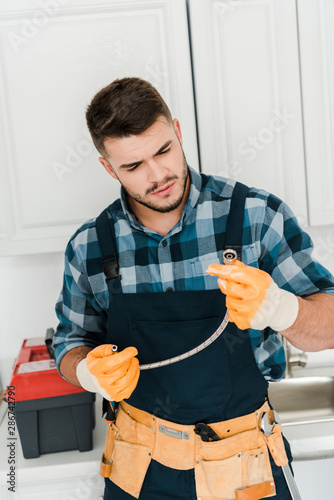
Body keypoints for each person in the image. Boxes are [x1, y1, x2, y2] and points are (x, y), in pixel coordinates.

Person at [54, 77, 334, 500]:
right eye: (133, 166)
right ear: (108, 168)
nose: (158, 175)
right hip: (139, 467)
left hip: (245, 464)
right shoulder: (90, 246)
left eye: (164, 150)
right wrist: (85, 371)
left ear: (178, 132)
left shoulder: (257, 217)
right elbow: (69, 342)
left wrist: (282, 310)